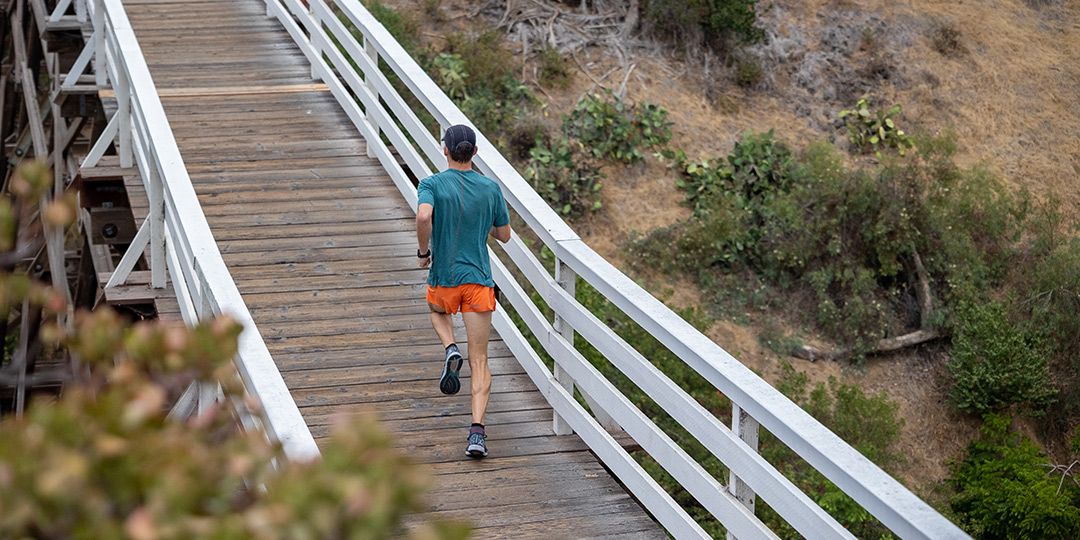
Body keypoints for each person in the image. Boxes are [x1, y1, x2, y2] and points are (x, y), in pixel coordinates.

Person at [416, 124, 511, 458]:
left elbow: (424, 215)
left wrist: (423, 252)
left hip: (444, 277)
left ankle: (449, 347)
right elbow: (504, 235)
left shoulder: (431, 184)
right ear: (475, 152)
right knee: (481, 359)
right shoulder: (490, 188)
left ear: (445, 150)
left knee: (436, 313)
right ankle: (477, 434)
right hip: (478, 280)